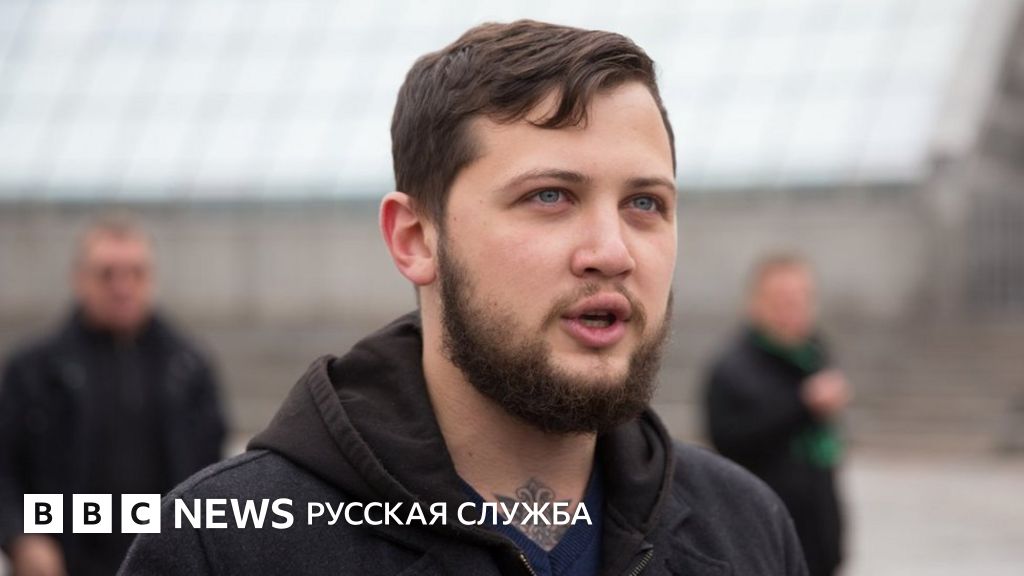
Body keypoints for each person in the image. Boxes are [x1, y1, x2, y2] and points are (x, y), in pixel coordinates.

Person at [120, 20, 807, 576]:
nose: (612, 250)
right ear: (416, 239)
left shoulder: (747, 529)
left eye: (645, 203)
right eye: (550, 196)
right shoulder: (225, 550)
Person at [0, 216, 226, 576]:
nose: (122, 287)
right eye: (107, 274)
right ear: (79, 279)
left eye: (136, 273)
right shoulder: (33, 370)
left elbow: (213, 472)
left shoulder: (188, 369)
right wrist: (22, 538)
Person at [704, 254, 849, 576]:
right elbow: (728, 441)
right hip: (762, 535)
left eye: (802, 299)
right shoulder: (733, 367)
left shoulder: (813, 354)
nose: (793, 309)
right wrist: (803, 406)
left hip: (820, 536)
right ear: (755, 304)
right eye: (782, 300)